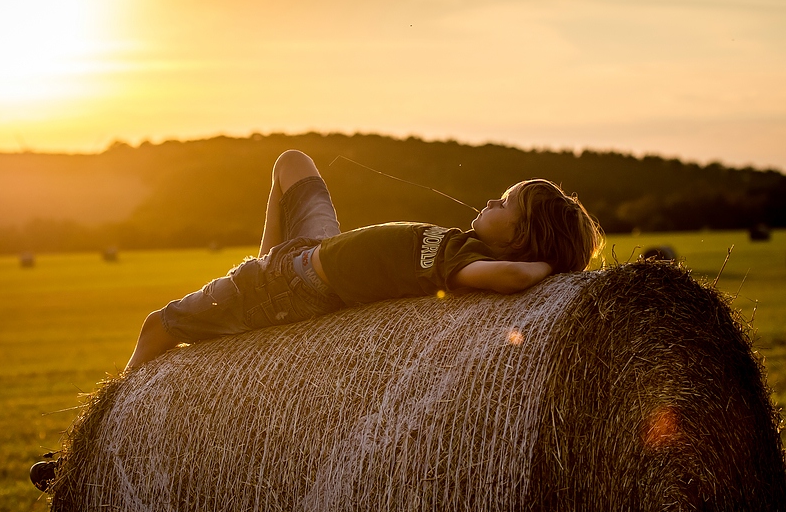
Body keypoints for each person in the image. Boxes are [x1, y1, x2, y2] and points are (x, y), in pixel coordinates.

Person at [125, 150, 603, 370]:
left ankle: (108, 431)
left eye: (505, 203)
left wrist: (548, 269)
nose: (492, 202)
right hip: (308, 252)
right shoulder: (464, 245)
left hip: (292, 287)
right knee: (291, 162)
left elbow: (512, 275)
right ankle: (259, 265)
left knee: (156, 326)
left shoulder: (468, 262)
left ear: (522, 236)